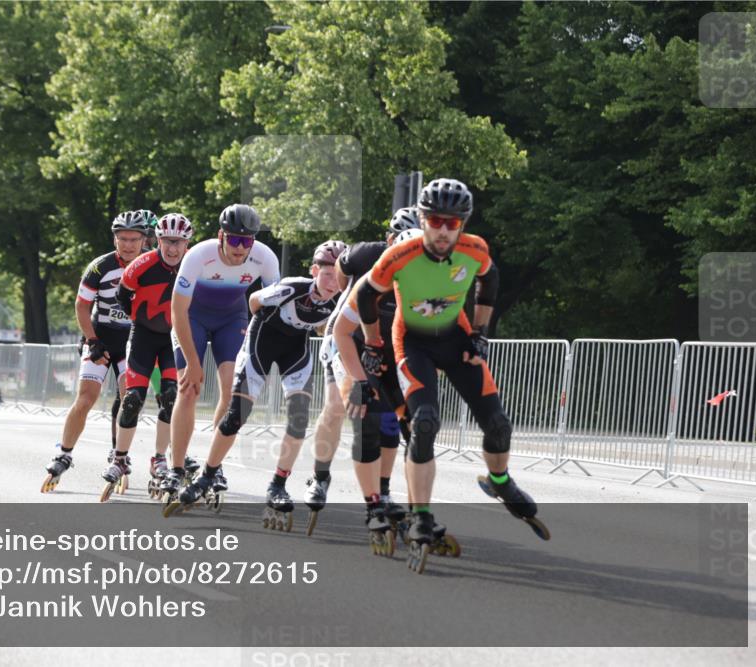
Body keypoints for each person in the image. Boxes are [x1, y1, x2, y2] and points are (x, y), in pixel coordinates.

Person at [354, 178, 547, 573]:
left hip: (456, 338)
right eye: (436, 221)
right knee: (424, 422)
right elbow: (365, 295)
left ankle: (499, 481)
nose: (443, 230)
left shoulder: (475, 250)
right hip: (413, 342)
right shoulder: (399, 255)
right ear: (423, 219)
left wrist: (480, 332)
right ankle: (421, 515)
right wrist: (373, 345)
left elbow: (490, 280)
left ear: (463, 224)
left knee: (498, 424)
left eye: (453, 223)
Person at [172, 241, 344, 527]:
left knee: (299, 418)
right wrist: (265, 318)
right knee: (236, 415)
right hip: (261, 343)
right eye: (327, 275)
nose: (333, 283)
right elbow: (254, 302)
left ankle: (278, 485)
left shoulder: (341, 300)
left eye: (338, 277)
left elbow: (328, 326)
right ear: (314, 271)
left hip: (295, 351)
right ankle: (206, 476)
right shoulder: (292, 287)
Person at [305, 209, 420, 536]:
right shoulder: (366, 255)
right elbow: (343, 278)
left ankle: (382, 492)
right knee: (339, 406)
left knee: (391, 420)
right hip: (348, 335)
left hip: (385, 344)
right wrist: (348, 297)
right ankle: (320, 477)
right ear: (389, 241)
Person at [161, 204, 280, 508]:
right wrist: (192, 362)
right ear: (221, 236)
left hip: (232, 318)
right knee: (188, 389)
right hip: (193, 317)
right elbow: (178, 311)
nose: (240, 248)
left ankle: (213, 465)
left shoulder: (265, 257)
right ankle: (176, 468)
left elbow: (273, 310)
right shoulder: (198, 256)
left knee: (231, 390)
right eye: (234, 240)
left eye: (246, 241)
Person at [41, 210, 149, 493]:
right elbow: (81, 305)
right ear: (115, 240)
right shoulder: (100, 267)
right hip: (101, 336)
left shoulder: (152, 265)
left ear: (144, 240)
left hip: (133, 339)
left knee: (130, 398)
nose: (128, 245)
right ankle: (63, 454)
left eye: (134, 239)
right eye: (123, 239)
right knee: (86, 398)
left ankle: (119, 455)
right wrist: (92, 340)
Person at [99, 214, 194, 501]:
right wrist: (138, 319)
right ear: (158, 241)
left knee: (170, 397)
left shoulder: (194, 266)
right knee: (132, 399)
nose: (172, 248)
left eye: (178, 242)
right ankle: (120, 458)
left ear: (187, 244)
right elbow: (122, 296)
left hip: (173, 338)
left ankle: (159, 458)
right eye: (167, 241)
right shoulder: (142, 264)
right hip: (143, 335)